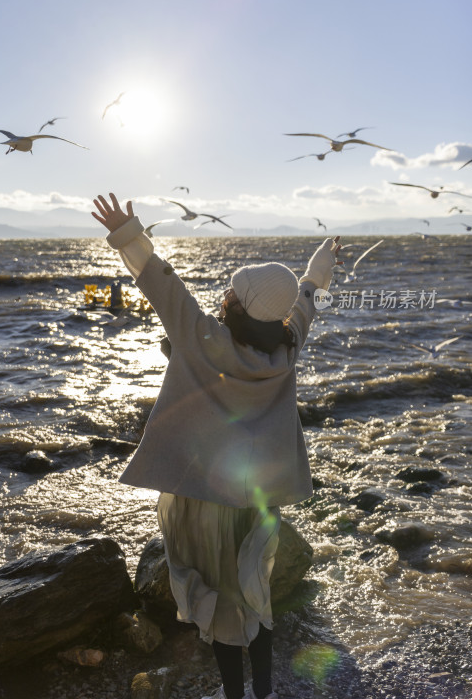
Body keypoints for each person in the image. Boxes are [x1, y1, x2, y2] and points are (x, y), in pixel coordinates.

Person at [92, 192, 341, 699]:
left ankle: (235, 695)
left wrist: (127, 231)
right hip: (258, 502)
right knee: (257, 593)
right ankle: (265, 691)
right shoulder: (287, 346)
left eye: (232, 289)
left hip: (205, 501)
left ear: (236, 304)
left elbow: (159, 282)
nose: (224, 294)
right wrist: (321, 264)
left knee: (223, 606)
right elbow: (309, 293)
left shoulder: (203, 337)